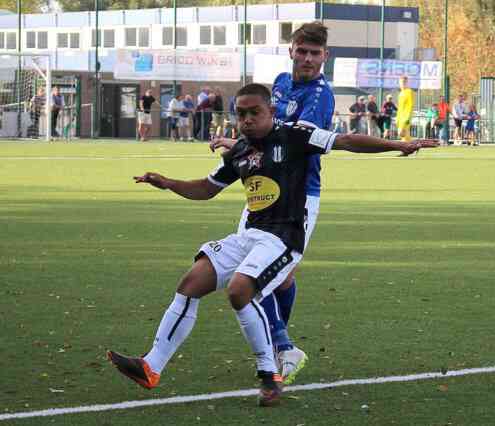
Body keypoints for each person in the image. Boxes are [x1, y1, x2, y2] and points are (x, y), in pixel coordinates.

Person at [106, 83, 434, 407]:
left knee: (239, 291)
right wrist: (167, 183)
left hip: (284, 238)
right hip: (250, 234)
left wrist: (397, 145)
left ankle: (269, 374)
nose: (247, 120)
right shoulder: (239, 151)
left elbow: (347, 140)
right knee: (191, 282)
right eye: (241, 114)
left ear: (271, 112)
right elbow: (206, 189)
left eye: (254, 113)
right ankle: (151, 366)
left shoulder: (296, 135)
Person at [215, 21, 336, 385]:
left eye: (315, 53)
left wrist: (243, 141)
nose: (308, 59)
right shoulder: (281, 83)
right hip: (262, 186)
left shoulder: (320, 96)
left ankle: (282, 347)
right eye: (302, 51)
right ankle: (280, 348)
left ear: (324, 57)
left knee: (258, 274)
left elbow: (287, 137)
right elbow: (260, 124)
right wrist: (240, 141)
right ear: (291, 51)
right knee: (280, 276)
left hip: (299, 193)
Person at [396, 76, 414, 142]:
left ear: (407, 83)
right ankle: (412, 147)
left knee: (401, 133)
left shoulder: (409, 91)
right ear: (399, 83)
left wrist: (408, 117)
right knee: (404, 135)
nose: (403, 83)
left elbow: (411, 105)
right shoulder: (400, 94)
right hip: (400, 117)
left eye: (404, 82)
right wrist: (397, 118)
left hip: (406, 117)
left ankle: (409, 146)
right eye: (401, 82)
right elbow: (399, 107)